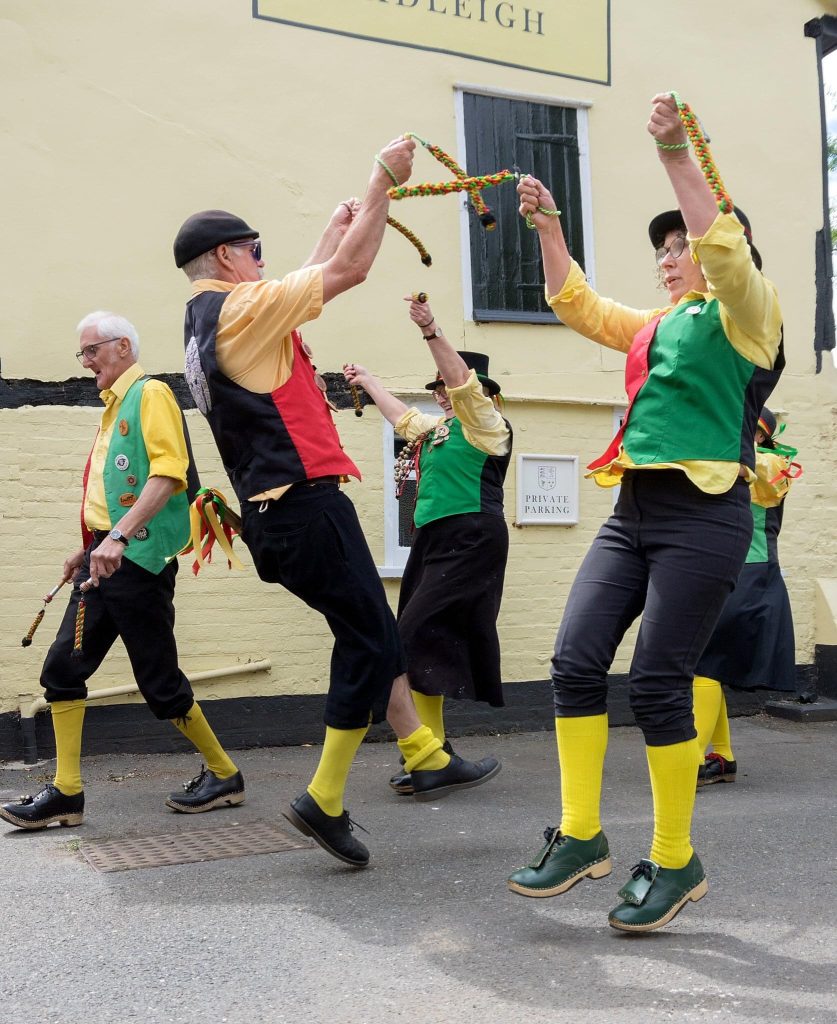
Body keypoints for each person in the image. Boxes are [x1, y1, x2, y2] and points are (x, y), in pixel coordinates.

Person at [173, 136, 496, 870]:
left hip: (276, 514)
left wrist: (340, 222)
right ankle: (322, 797)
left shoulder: (207, 322)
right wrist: (382, 181)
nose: (262, 260)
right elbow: (344, 271)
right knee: (371, 642)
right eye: (253, 249)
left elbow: (301, 282)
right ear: (227, 258)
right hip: (304, 506)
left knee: (369, 628)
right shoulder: (240, 310)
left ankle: (421, 750)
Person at [506, 93, 784, 932]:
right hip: (631, 511)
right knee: (573, 662)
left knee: (659, 682)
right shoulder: (655, 328)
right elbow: (579, 305)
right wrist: (549, 227)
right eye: (661, 249)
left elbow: (726, 253)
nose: (669, 258)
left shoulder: (747, 317)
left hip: (704, 517)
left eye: (679, 246)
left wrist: (674, 156)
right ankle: (582, 837)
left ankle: (673, 860)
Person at [0, 312, 244, 832]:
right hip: (104, 561)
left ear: (124, 348)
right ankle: (67, 793)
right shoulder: (115, 406)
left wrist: (114, 538)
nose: (86, 363)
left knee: (160, 683)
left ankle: (224, 773)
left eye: (92, 351)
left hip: (135, 563)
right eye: (82, 354)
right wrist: (87, 545)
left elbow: (167, 475)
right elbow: (117, 494)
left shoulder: (150, 394)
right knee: (63, 671)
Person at [344, 295, 511, 796]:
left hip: (472, 537)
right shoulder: (438, 431)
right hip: (434, 540)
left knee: (413, 633)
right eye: (437, 389)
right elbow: (401, 419)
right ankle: (432, 755)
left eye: (447, 386)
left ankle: (432, 755)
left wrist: (431, 329)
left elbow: (463, 385)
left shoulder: (487, 425)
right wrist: (370, 382)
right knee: (414, 642)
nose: (442, 394)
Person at [693, 407, 799, 786]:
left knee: (703, 663)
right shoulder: (738, 459)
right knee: (709, 664)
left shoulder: (770, 463)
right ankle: (722, 758)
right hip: (731, 568)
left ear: (760, 434)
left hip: (749, 572)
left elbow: (749, 472)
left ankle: (690, 761)